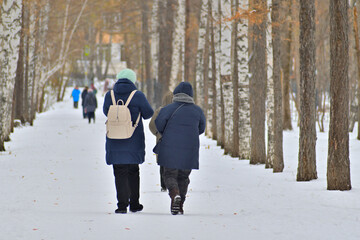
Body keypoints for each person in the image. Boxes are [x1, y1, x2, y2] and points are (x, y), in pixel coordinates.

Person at [103, 68, 153, 214]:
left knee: (119, 171)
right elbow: (148, 113)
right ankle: (135, 204)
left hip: (114, 138)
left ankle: (122, 205)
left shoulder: (109, 95)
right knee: (133, 171)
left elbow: (106, 112)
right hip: (133, 138)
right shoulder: (137, 95)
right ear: (133, 80)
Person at [154, 82, 206, 215]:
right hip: (190, 148)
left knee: (169, 174)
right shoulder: (198, 111)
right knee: (183, 177)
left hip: (169, 147)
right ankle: (180, 204)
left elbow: (159, 125)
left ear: (175, 94)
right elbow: (201, 129)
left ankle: (174, 194)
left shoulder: (168, 109)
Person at [149, 91, 173, 192]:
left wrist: (157, 133)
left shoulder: (159, 111)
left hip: (161, 140)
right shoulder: (178, 110)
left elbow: (151, 125)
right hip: (175, 141)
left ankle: (163, 185)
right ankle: (173, 183)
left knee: (162, 163)